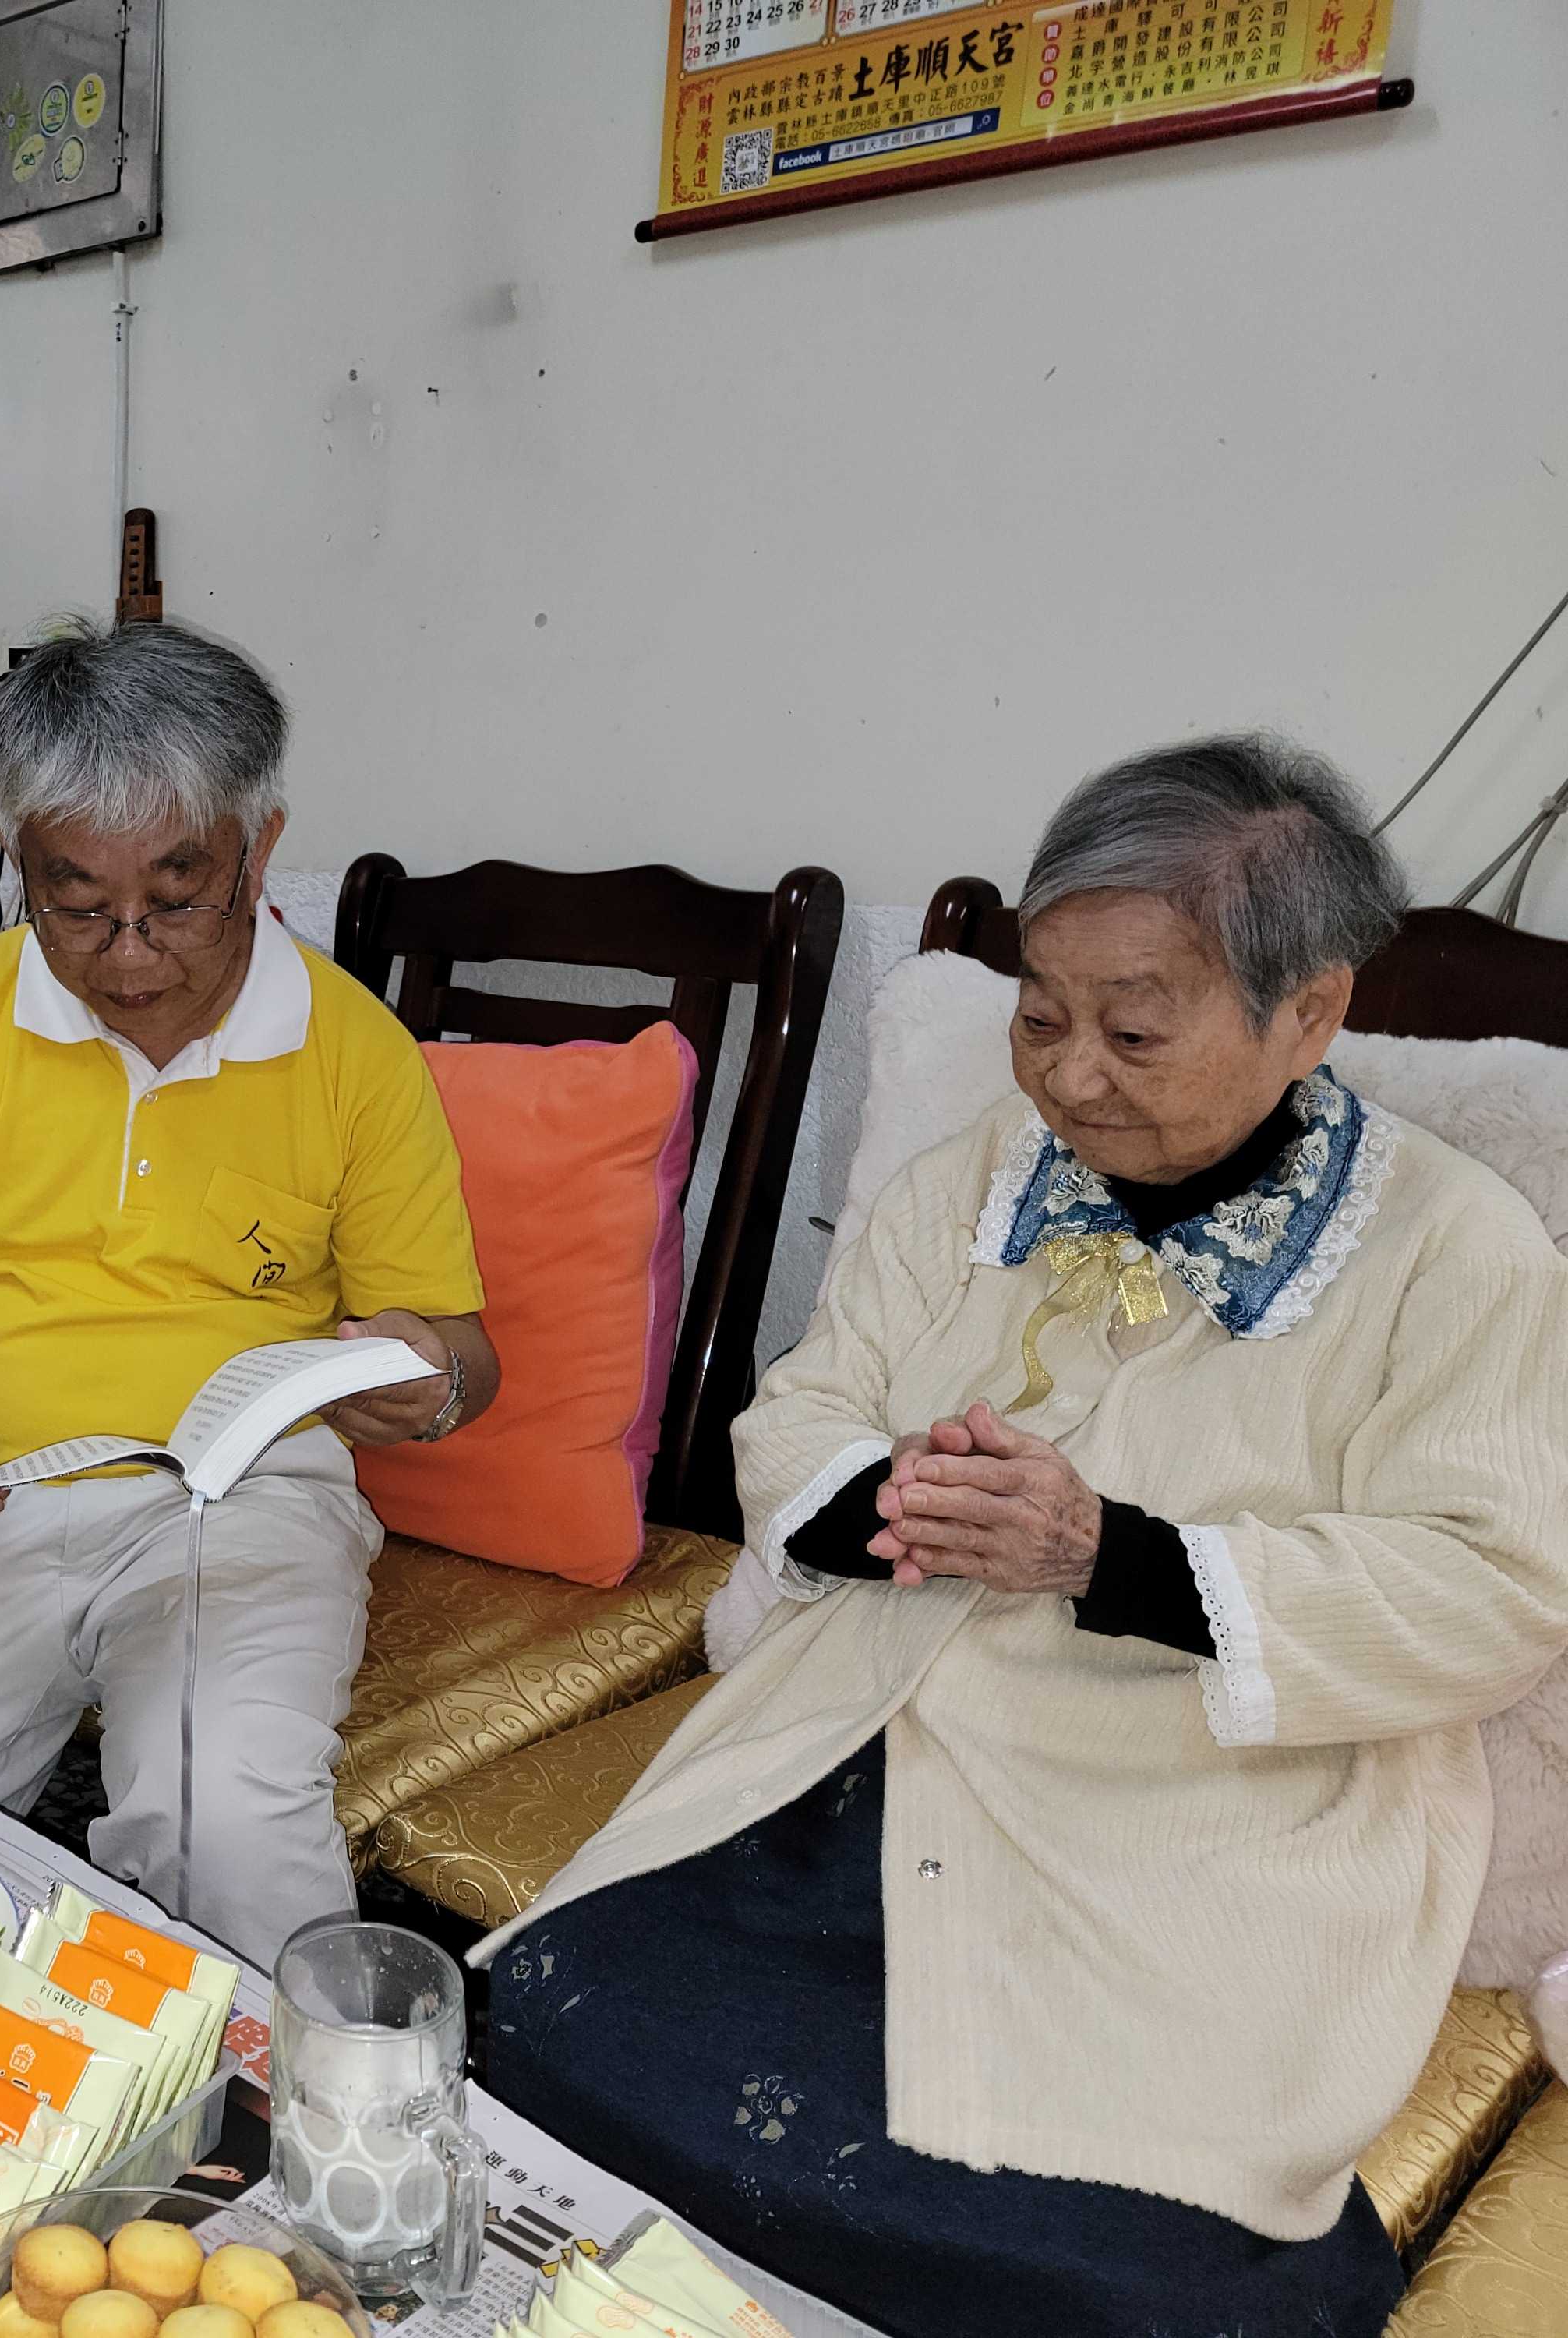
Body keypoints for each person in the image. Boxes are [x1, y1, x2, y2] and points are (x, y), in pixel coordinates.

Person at [479, 737, 1568, 2338]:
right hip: (865, 1738)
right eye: (1040, 1014)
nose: (1067, 1079)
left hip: (1200, 1821)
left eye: (1134, 1029)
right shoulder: (978, 1179)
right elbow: (803, 1407)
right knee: (554, 2033)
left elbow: (1492, 1590)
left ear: (1309, 1012)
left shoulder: (1457, 1251)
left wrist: (1106, 1555)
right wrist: (891, 1498)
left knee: (1117, 2266)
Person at [0, 622, 497, 1961]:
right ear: (19, 857)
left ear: (258, 849)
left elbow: (462, 1347)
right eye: (76, 902)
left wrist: (430, 1378)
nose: (127, 952)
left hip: (242, 1510)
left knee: (225, 1819)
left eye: (178, 897)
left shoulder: (354, 1050)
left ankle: (258, 2086)